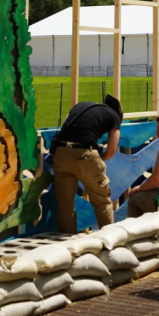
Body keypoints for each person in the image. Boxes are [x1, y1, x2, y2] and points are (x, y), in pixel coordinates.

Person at [53, 94, 123, 234]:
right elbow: (111, 150)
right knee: (101, 200)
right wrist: (96, 161)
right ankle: (109, 239)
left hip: (60, 153)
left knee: (65, 205)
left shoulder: (81, 106)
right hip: (84, 154)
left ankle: (66, 242)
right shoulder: (114, 117)